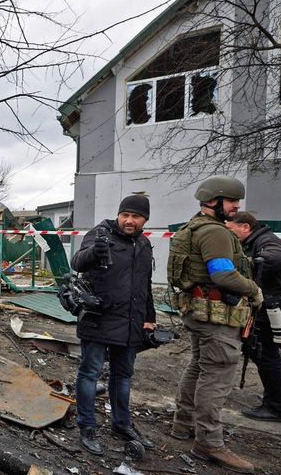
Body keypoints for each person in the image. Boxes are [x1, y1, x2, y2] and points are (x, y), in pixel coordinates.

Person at [168, 176, 264, 474]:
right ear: (213, 200)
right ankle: (208, 441)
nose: (237, 206)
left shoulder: (193, 226)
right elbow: (222, 274)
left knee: (199, 365)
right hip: (215, 316)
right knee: (218, 372)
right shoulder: (215, 232)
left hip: (199, 310)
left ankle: (183, 424)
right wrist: (254, 290)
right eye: (232, 201)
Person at [69, 195, 156, 455]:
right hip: (98, 318)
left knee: (123, 376)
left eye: (136, 216)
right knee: (90, 372)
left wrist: (149, 319)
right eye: (125, 215)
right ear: (118, 215)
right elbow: (77, 262)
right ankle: (87, 427)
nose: (129, 220)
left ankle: (122, 424)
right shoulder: (100, 234)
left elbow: (145, 286)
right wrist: (94, 253)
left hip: (131, 321)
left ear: (145, 220)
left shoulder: (144, 244)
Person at [226, 212, 281, 423]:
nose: (230, 235)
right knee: (258, 352)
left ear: (245, 227)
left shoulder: (266, 241)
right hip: (264, 305)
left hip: (271, 307)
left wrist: (248, 267)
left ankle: (276, 408)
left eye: (231, 230)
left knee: (266, 355)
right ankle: (274, 400)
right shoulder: (255, 240)